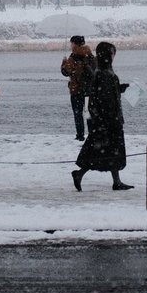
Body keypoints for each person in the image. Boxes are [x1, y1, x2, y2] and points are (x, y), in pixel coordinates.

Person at [72, 41, 133, 192]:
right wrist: (107, 120)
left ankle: (112, 180)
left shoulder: (102, 71)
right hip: (108, 119)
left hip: (106, 119)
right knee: (105, 149)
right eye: (112, 53)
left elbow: (105, 94)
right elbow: (104, 98)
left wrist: (120, 88)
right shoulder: (103, 73)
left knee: (104, 150)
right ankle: (82, 174)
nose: (113, 56)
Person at [60, 35, 95, 141]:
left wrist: (63, 63)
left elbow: (66, 72)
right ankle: (92, 134)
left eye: (71, 43)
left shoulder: (73, 57)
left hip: (76, 90)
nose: (70, 45)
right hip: (89, 90)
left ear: (75, 44)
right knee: (89, 113)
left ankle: (80, 135)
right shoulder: (90, 56)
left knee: (77, 113)